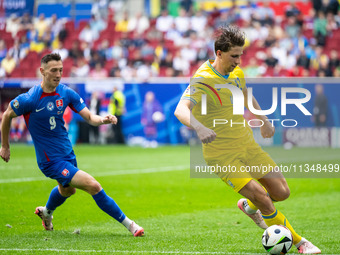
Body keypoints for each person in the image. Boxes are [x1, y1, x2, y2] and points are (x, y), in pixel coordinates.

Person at [174, 25, 321, 254]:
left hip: (246, 145)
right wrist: (200, 128)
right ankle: (300, 243)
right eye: (234, 56)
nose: (238, 61)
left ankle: (248, 206)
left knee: (282, 192)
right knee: (264, 197)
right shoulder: (202, 80)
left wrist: (264, 120)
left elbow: (246, 96)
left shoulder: (236, 73)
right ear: (219, 53)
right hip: (221, 155)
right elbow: (180, 110)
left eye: (240, 55)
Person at [0, 53, 144, 237]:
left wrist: (103, 119)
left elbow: (90, 117)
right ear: (42, 71)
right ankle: (131, 225)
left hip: (67, 154)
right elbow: (7, 115)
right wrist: (5, 146)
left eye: (60, 70)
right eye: (53, 70)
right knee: (93, 185)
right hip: (50, 161)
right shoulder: (30, 98)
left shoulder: (66, 93)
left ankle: (47, 213)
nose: (58, 74)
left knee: (67, 190)